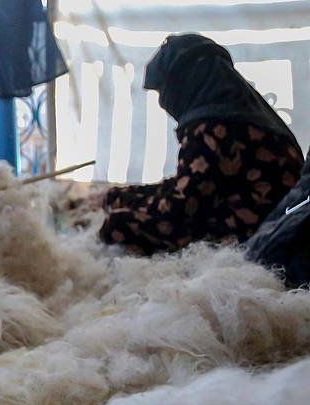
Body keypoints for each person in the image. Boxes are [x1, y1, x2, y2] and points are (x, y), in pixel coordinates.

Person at [97, 33, 303, 255]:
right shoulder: (248, 114)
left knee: (118, 224)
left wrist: (125, 203)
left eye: (164, 89)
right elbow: (191, 185)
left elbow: (181, 208)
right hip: (277, 222)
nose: (162, 101)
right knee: (118, 199)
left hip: (253, 234)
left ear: (184, 81)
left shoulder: (211, 127)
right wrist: (123, 195)